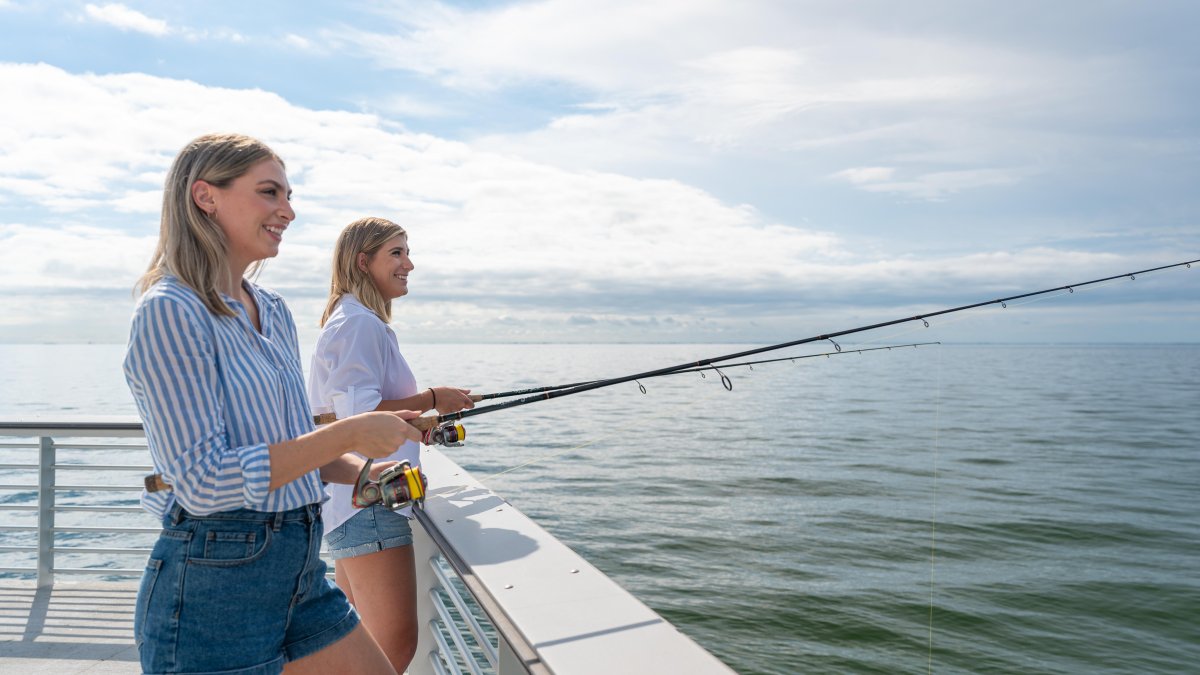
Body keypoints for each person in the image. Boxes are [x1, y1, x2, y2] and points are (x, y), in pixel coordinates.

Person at [124, 133, 418, 674]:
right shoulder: (169, 311)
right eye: (269, 193)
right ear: (205, 196)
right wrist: (349, 434)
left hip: (299, 569)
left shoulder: (274, 310)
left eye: (287, 195)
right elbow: (203, 481)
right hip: (215, 586)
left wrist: (360, 471)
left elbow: (286, 442)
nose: (288, 210)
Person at [308, 216, 475, 673]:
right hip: (370, 503)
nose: (409, 264)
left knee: (355, 642)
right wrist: (431, 399)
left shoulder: (354, 321)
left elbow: (356, 413)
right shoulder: (358, 324)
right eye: (396, 253)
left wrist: (421, 422)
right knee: (393, 646)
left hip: (356, 501)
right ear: (364, 262)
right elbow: (358, 415)